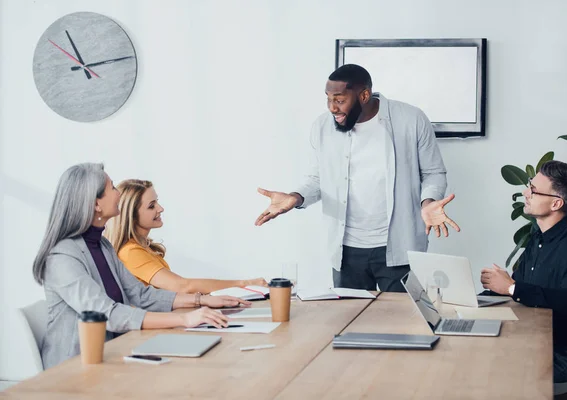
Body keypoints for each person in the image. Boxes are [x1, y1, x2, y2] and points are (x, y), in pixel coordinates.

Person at [255, 64, 459, 292]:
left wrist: (428, 202)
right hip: (346, 250)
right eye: (328, 99)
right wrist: (296, 197)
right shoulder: (322, 127)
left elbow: (433, 172)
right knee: (348, 322)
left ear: (364, 95)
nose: (332, 108)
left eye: (339, 100)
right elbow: (317, 178)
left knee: (403, 321)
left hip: (400, 246)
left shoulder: (410, 119)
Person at [33, 163, 250, 369]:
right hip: (76, 367)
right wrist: (184, 318)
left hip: (116, 352)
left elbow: (140, 294)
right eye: (112, 188)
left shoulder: (102, 245)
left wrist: (201, 300)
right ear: (96, 203)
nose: (118, 193)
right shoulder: (62, 256)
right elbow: (106, 313)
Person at [480, 160, 567, 383]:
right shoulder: (538, 238)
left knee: (489, 366)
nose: (526, 192)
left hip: (564, 351)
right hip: (534, 336)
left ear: (555, 204)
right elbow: (519, 288)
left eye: (533, 190)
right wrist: (475, 298)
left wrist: (512, 287)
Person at [105, 179, 267, 293]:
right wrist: (244, 284)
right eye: (151, 206)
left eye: (157, 202)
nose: (160, 208)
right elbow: (182, 286)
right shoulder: (130, 252)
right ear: (131, 216)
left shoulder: (143, 247)